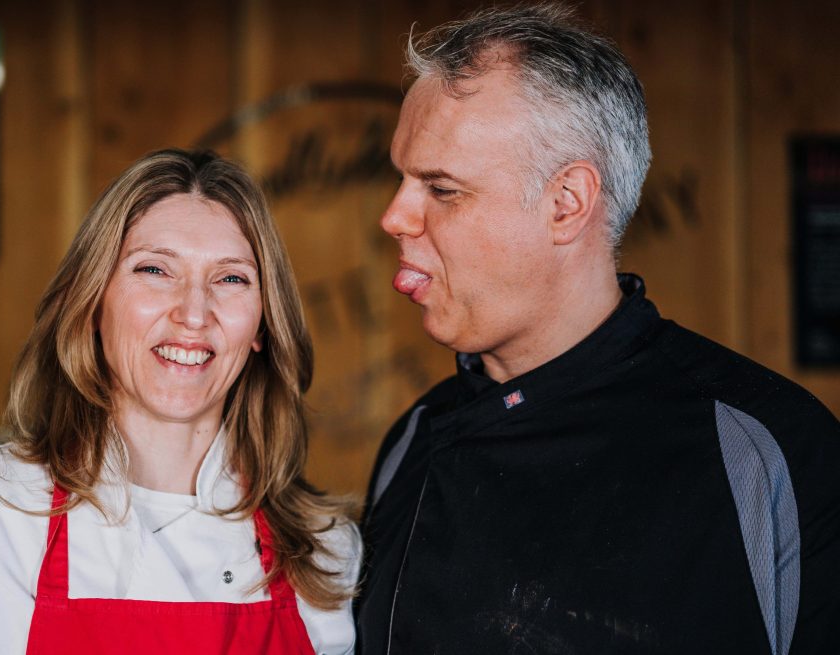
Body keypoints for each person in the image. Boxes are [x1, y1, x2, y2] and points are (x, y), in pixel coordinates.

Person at [357, 4, 839, 654]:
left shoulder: (771, 453)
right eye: (402, 180)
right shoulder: (410, 441)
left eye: (440, 189)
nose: (394, 217)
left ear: (566, 204)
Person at [0, 149, 360, 654]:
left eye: (231, 278)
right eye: (155, 270)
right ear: (92, 303)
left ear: (262, 323)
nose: (194, 313)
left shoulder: (325, 548)